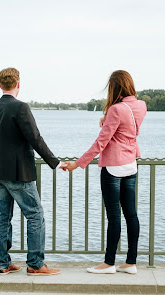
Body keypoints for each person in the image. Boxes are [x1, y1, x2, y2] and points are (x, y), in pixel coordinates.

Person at [0, 67, 62, 276]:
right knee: (35, 215)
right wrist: (55, 162)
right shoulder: (21, 108)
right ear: (18, 84)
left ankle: (3, 264)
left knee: (3, 217)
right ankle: (36, 264)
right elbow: (35, 139)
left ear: (0, 85)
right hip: (19, 172)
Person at [61, 70, 146, 275]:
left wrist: (78, 164)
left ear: (114, 87)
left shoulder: (116, 110)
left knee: (114, 216)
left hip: (114, 167)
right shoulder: (141, 105)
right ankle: (131, 262)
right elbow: (127, 128)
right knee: (131, 214)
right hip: (131, 165)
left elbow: (102, 142)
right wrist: (105, 119)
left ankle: (109, 263)